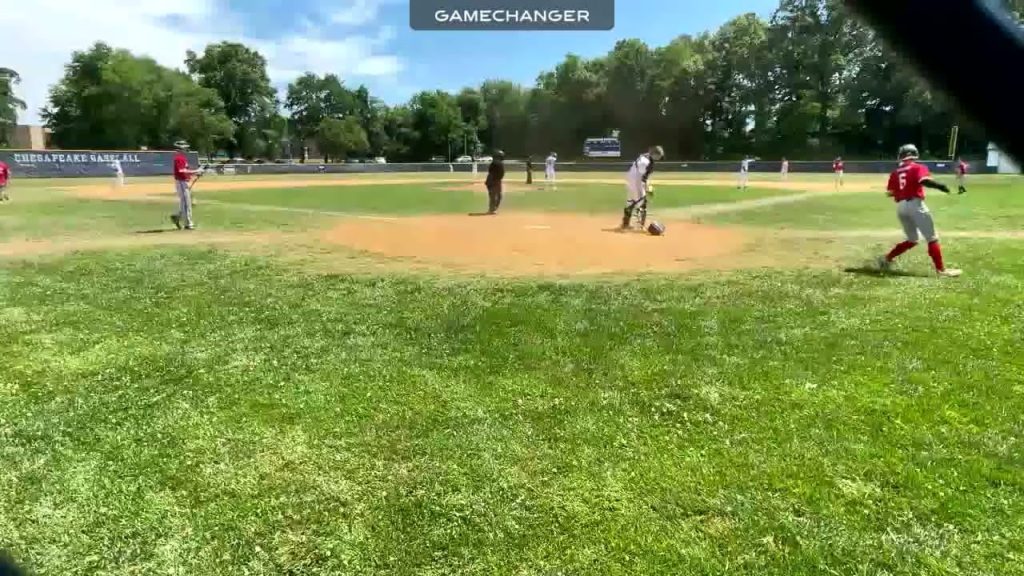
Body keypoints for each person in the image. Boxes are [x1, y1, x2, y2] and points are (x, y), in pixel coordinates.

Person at [878, 144, 962, 277]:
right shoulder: (918, 167)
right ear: (914, 154)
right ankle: (941, 271)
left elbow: (890, 193)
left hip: (901, 207)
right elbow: (924, 181)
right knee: (932, 238)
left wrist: (902, 191)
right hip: (915, 204)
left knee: (912, 239)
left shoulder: (895, 172)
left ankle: (886, 259)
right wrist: (941, 186)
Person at [621, 145, 664, 229]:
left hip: (630, 179)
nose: (659, 158)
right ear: (655, 154)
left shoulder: (645, 156)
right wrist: (646, 188)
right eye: (659, 156)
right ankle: (641, 225)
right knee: (642, 202)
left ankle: (625, 223)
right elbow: (640, 177)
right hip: (636, 181)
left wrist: (646, 187)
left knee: (631, 201)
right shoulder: (645, 161)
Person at [169, 141, 199, 230]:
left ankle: (177, 217)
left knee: (189, 202)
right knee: (186, 202)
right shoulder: (179, 158)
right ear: (180, 148)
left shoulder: (182, 158)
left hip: (184, 181)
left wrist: (195, 173)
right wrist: (195, 171)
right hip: (181, 182)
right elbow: (181, 171)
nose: (186, 149)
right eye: (185, 147)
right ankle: (188, 223)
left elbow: (186, 171)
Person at [485, 150, 506, 215]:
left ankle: (493, 208)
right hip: (493, 180)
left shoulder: (499, 163)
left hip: (497, 180)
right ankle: (492, 209)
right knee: (493, 195)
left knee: (499, 196)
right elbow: (491, 173)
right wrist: (490, 182)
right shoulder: (495, 163)